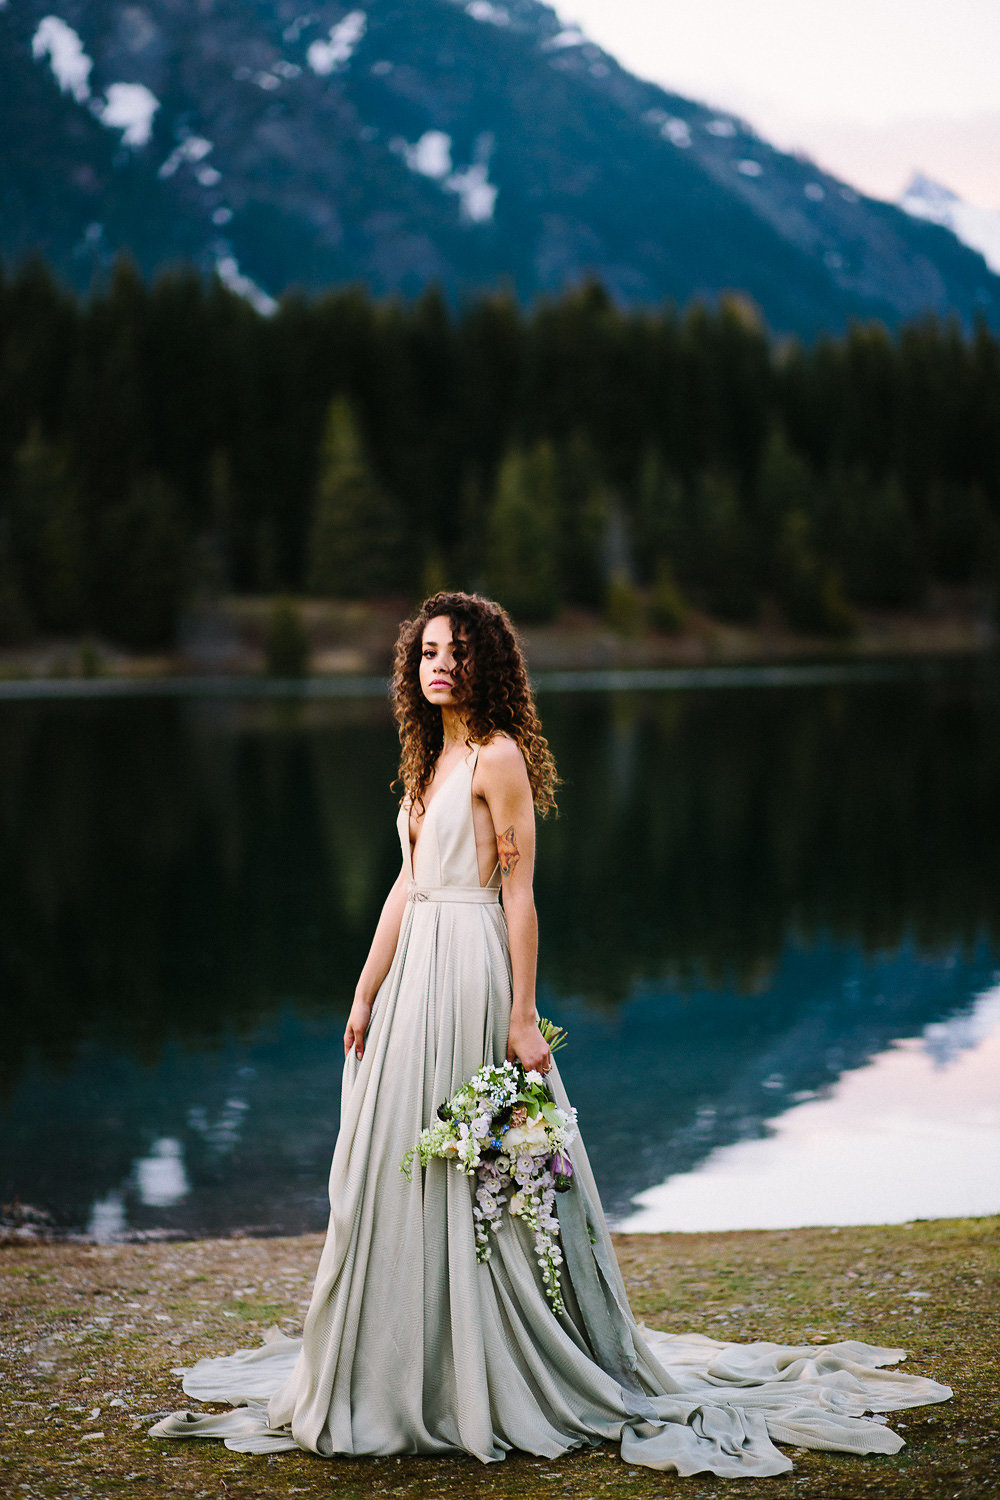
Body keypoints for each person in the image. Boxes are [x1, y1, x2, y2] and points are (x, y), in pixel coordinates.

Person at [151, 591, 951, 1477]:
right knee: (394, 1161)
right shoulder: (426, 761)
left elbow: (520, 893)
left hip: (472, 973)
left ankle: (493, 1358)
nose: (439, 664)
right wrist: (364, 992)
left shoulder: (497, 758)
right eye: (426, 652)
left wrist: (521, 1015)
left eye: (456, 651)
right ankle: (402, 1357)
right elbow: (405, 888)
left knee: (479, 1164)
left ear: (486, 661)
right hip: (416, 974)